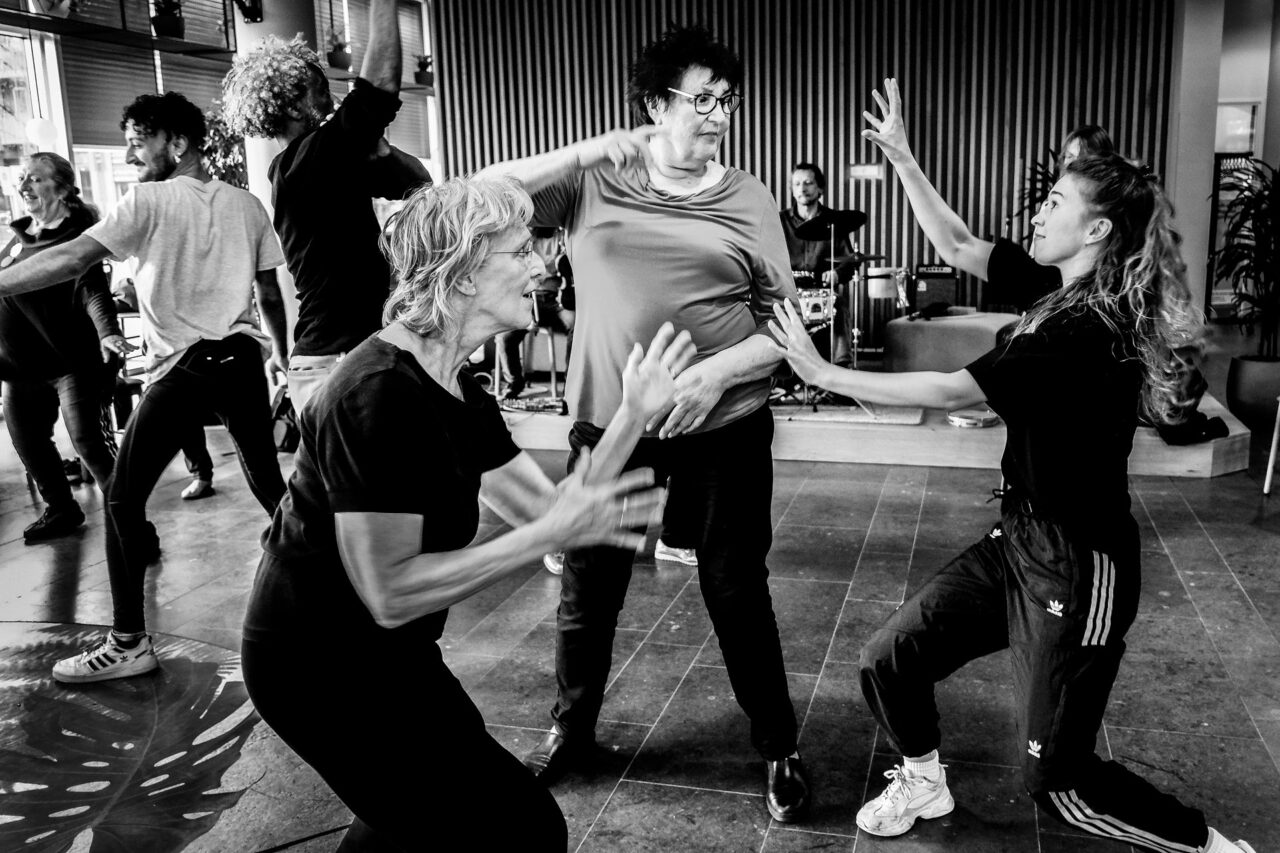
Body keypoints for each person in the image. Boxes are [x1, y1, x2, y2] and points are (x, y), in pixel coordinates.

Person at [769, 77, 1256, 853]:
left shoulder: (1082, 329)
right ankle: (924, 778)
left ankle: (1212, 848)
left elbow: (950, 388)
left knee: (1060, 783)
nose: (1037, 211)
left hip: (1078, 564)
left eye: (1055, 201)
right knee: (890, 657)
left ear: (1096, 228)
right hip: (1021, 539)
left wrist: (824, 373)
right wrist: (902, 157)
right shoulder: (1054, 287)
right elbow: (958, 247)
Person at [241, 176, 694, 852]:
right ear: (461, 270)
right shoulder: (374, 394)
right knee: (515, 828)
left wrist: (631, 413)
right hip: (315, 662)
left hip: (391, 653)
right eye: (522, 251)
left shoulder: (457, 387)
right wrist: (547, 536)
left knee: (426, 820)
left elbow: (552, 510)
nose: (541, 267)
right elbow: (391, 592)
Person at [480, 24, 810, 823]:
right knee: (588, 590)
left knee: (735, 588)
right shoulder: (594, 180)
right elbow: (479, 195)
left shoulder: (749, 197)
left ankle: (779, 745)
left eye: (727, 100)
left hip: (725, 425)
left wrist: (715, 372)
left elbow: (787, 324)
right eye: (702, 100)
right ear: (656, 106)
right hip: (611, 425)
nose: (719, 115)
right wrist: (587, 152)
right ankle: (572, 730)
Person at [0, 92, 290, 684]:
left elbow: (72, 259)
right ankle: (343, 592)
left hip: (186, 366)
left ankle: (128, 642)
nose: (131, 156)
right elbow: (267, 292)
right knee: (269, 484)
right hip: (240, 359)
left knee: (122, 502)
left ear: (176, 143)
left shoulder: (149, 200)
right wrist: (279, 356)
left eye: (138, 142)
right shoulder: (246, 203)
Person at [222, 0, 432, 414]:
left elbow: (418, 184)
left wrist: (381, 149)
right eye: (320, 89)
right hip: (335, 363)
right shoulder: (305, 162)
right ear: (293, 105)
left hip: (349, 355)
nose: (332, 98)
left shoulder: (325, 167)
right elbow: (378, 89)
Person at [0, 153, 130, 542]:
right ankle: (61, 509)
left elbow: (93, 289)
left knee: (90, 444)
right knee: (28, 442)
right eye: (23, 179)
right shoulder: (17, 239)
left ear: (63, 189)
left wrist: (107, 332)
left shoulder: (76, 238)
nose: (24, 186)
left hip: (72, 363)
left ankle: (133, 524)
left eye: (35, 179)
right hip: (20, 368)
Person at [779, 162, 857, 366]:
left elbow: (850, 262)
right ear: (791, 189)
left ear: (820, 188)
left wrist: (837, 273)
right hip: (789, 292)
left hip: (822, 292)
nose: (802, 188)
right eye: (797, 184)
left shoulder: (834, 221)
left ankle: (841, 366)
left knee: (839, 303)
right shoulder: (779, 222)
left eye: (808, 183)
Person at [498, 226, 574, 400]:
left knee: (577, 329)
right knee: (505, 336)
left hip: (557, 300)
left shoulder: (563, 236)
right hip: (531, 299)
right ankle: (514, 383)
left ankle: (570, 387)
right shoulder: (527, 238)